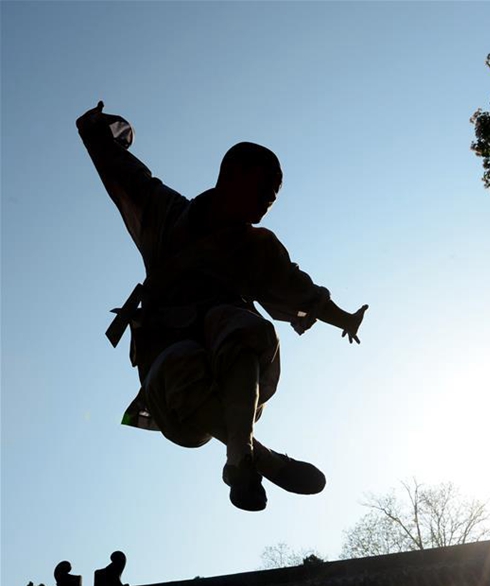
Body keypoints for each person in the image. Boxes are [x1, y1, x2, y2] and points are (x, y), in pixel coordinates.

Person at [76, 101, 368, 511]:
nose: (269, 200)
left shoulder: (257, 247)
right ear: (230, 176)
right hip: (169, 367)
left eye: (274, 195)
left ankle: (241, 458)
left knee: (241, 325)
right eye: (264, 188)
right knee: (182, 361)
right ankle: (261, 458)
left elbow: (300, 289)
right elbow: (126, 176)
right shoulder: (167, 214)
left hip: (234, 365)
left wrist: (344, 318)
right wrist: (94, 132)